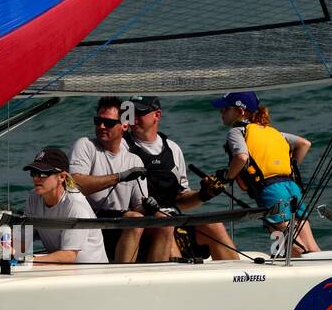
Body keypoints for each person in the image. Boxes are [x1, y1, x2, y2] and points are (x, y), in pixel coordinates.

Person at [123, 95, 238, 261]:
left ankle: (238, 280)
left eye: (139, 113)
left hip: (175, 220)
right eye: (129, 113)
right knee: (165, 225)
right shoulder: (123, 147)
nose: (133, 119)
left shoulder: (173, 149)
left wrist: (205, 194)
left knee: (215, 226)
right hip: (147, 226)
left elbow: (181, 199)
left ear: (157, 115)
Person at [212, 91, 321, 255]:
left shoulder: (236, 132)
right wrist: (289, 167)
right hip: (292, 187)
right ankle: (325, 273)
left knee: (291, 245)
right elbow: (304, 143)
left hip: (271, 191)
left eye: (225, 109)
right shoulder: (274, 132)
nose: (221, 112)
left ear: (241, 112)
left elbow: (241, 157)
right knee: (311, 245)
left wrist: (228, 177)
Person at [68, 97, 151, 262]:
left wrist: (149, 206)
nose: (101, 126)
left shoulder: (134, 161)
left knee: (165, 224)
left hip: (119, 225)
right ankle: (122, 278)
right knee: (135, 220)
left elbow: (138, 206)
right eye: (98, 121)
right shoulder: (86, 146)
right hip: (90, 224)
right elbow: (75, 185)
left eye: (108, 123)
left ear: (125, 126)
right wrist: (119, 177)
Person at [21, 147, 108, 264]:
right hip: (61, 268)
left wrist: (27, 261)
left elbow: (68, 256)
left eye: (43, 174)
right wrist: (4, 250)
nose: (36, 178)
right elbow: (21, 241)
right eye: (34, 173)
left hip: (90, 274)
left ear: (62, 177)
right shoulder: (33, 197)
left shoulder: (75, 205)